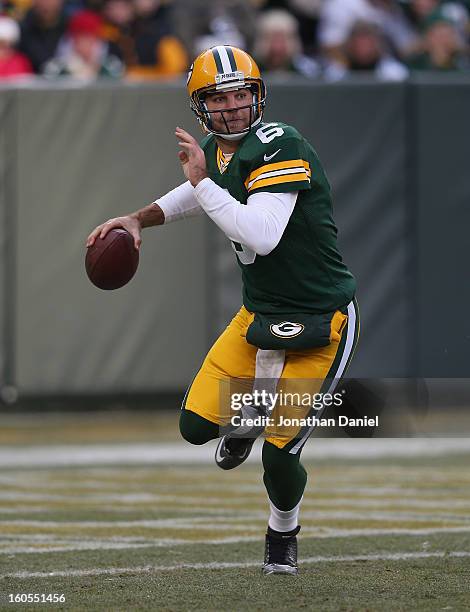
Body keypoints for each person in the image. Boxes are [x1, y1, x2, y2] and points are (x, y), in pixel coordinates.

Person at [86, 45, 359, 575]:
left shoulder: (282, 144)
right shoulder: (217, 152)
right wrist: (140, 218)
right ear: (199, 105)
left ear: (258, 95)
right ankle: (246, 415)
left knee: (279, 456)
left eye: (240, 94)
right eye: (220, 98)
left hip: (322, 321)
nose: (232, 107)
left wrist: (200, 180)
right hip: (260, 316)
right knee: (193, 425)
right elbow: (195, 193)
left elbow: (261, 233)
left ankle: (283, 536)